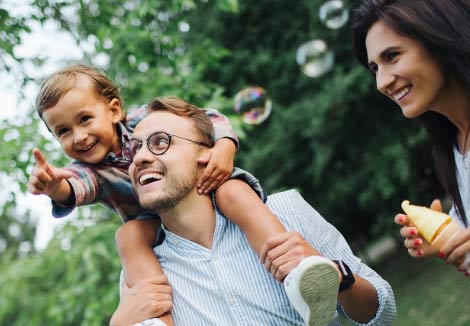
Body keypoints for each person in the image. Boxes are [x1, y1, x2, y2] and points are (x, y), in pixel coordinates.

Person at [28, 65, 342, 324]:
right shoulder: (87, 169)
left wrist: (224, 146)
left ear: (113, 110)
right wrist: (55, 187)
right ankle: (156, 320)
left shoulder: (145, 122)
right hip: (157, 218)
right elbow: (76, 187)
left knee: (233, 191)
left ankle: (298, 276)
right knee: (128, 235)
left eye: (84, 119)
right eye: (63, 132)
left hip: (206, 188)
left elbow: (210, 119)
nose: (79, 137)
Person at [112, 96, 396, 325]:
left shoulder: (285, 211)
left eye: (160, 142)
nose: (141, 158)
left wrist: (339, 277)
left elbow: (383, 314)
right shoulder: (140, 276)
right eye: (133, 150)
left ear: (205, 152)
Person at [352, 0, 470, 289]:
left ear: (439, 39)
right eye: (374, 68)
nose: (382, 82)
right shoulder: (456, 148)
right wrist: (454, 246)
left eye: (392, 56)